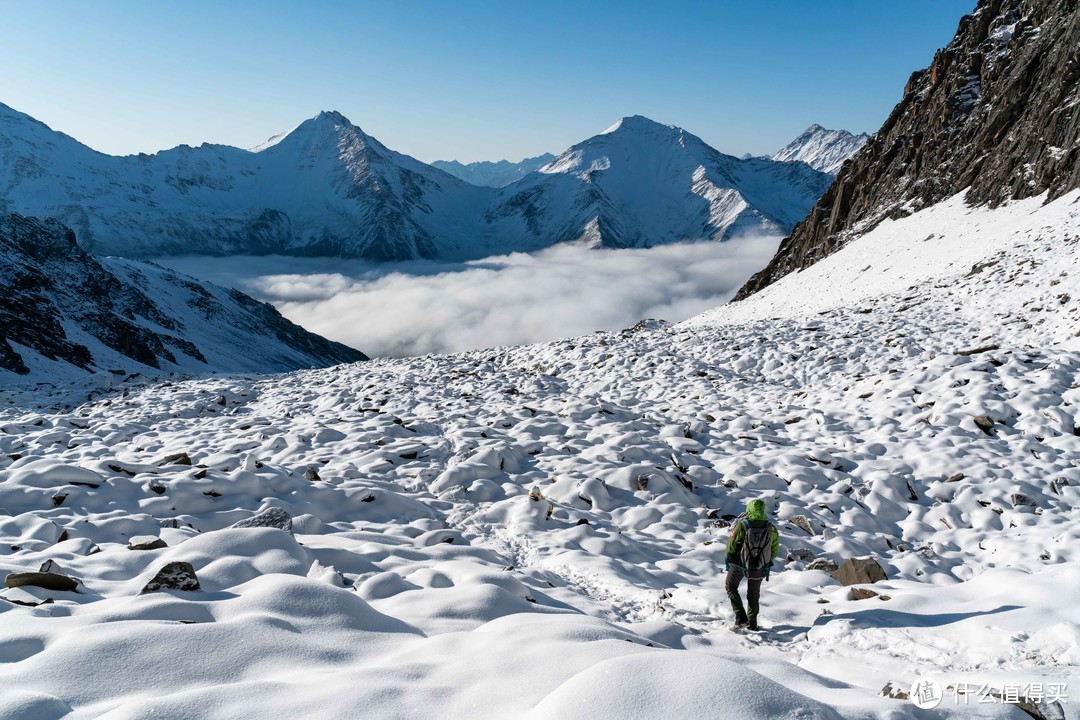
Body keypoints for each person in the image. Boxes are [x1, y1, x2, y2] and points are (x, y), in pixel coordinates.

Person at [725, 498, 780, 630]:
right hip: (760, 566)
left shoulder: (743, 525)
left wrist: (729, 558)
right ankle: (753, 623)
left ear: (749, 510)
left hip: (739, 564)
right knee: (753, 595)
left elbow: (731, 546)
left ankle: (740, 617)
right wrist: (763, 560)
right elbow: (774, 550)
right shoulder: (770, 528)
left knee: (731, 587)